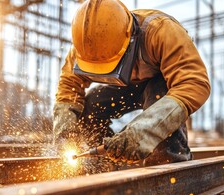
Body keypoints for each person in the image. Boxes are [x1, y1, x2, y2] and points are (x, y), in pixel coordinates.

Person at [53, 0, 210, 166]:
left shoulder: (161, 31)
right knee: (91, 104)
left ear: (130, 39)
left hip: (159, 87)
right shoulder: (84, 47)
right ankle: (106, 164)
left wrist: (145, 131)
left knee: (158, 94)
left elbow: (194, 83)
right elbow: (69, 88)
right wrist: (64, 132)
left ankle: (169, 169)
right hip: (126, 86)